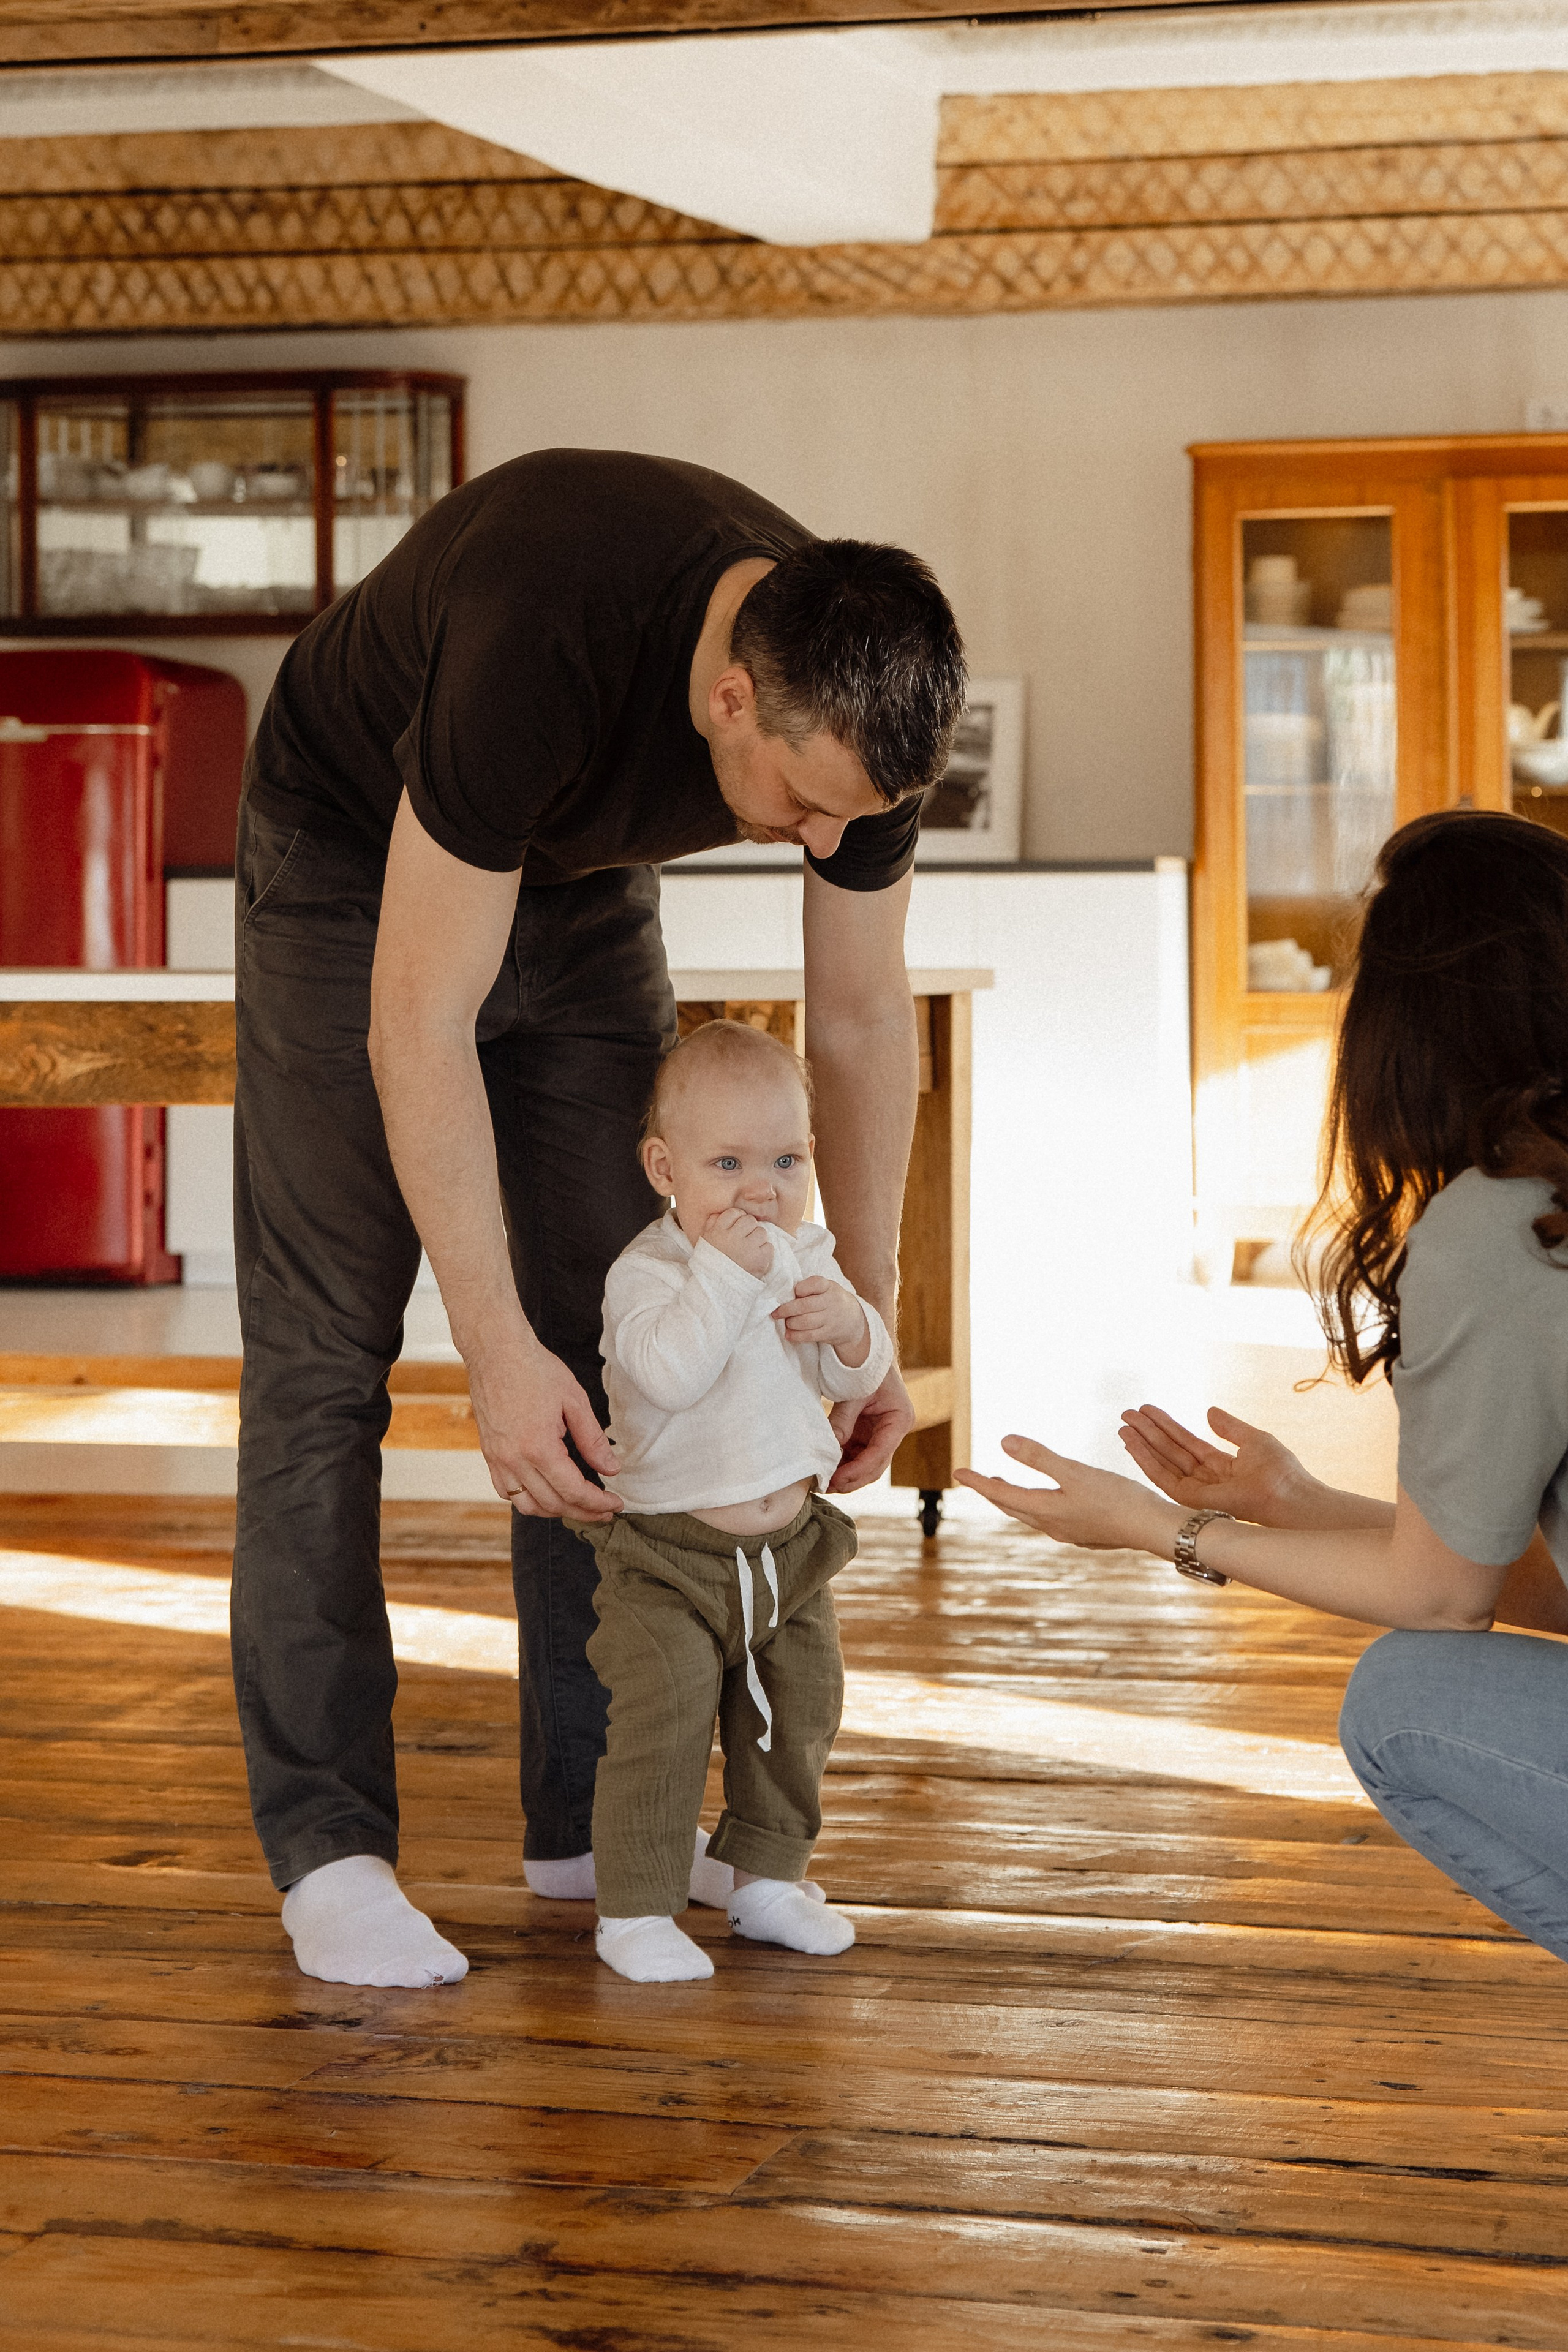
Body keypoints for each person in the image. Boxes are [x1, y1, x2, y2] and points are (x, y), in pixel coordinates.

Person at [235, 448, 967, 1989]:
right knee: (323, 1356)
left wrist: (859, 1328)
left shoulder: (851, 717)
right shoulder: (545, 630)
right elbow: (413, 1027)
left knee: (621, 1335)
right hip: (352, 852)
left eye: (858, 822)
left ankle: (587, 1829)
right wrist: (490, 1348)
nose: (825, 845)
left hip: (578, 880)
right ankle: (330, 1852)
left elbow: (851, 1024)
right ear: (726, 703)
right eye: (802, 807)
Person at [959, 809, 1568, 1965]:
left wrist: (1154, 1527)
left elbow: (1443, 1608)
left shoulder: (1506, 1227)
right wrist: (1302, 1504)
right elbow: (1501, 1580)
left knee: (1405, 1699)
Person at [567, 1018, 890, 1983]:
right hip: (669, 1557)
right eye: (729, 1163)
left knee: (800, 1713)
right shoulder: (652, 1275)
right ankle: (634, 1911)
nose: (763, 1189)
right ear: (666, 1168)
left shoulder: (808, 1253)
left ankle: (765, 1880)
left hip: (790, 1551)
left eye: (787, 1160)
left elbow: (862, 1372)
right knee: (663, 1722)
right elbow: (666, 1375)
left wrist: (854, 1326)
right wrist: (726, 1275)